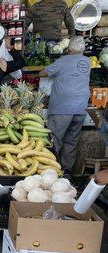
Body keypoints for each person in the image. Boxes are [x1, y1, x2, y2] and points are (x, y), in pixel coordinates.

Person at [39, 36, 91, 172]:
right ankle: (67, 171)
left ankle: (51, 170)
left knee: (54, 140)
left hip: (62, 108)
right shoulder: (88, 62)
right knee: (71, 142)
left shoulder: (63, 61)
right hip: (81, 108)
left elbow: (43, 73)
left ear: (69, 48)